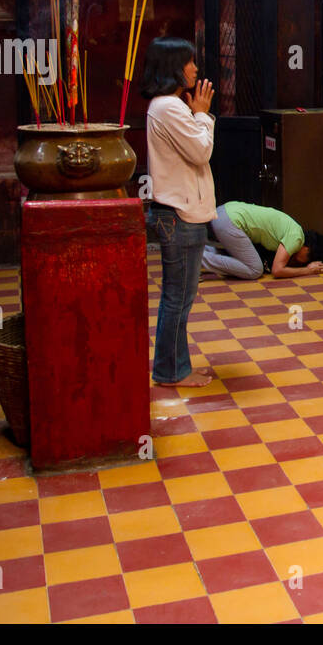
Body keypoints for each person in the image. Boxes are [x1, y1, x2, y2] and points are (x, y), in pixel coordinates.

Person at [142, 37, 216, 388]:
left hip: (182, 212)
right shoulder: (168, 107)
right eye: (190, 62)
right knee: (177, 298)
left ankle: (177, 367)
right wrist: (202, 115)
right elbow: (201, 152)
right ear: (174, 66)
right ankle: (171, 372)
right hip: (178, 213)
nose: (196, 69)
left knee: (181, 297)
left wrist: (196, 113)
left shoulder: (169, 105)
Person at [202, 201, 323, 279]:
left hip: (224, 213)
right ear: (308, 248)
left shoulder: (294, 230)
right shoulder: (296, 238)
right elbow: (277, 270)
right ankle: (198, 260)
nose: (305, 263)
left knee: (245, 259)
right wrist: (308, 270)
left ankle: (196, 253)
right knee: (255, 270)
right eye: (309, 259)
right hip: (231, 221)